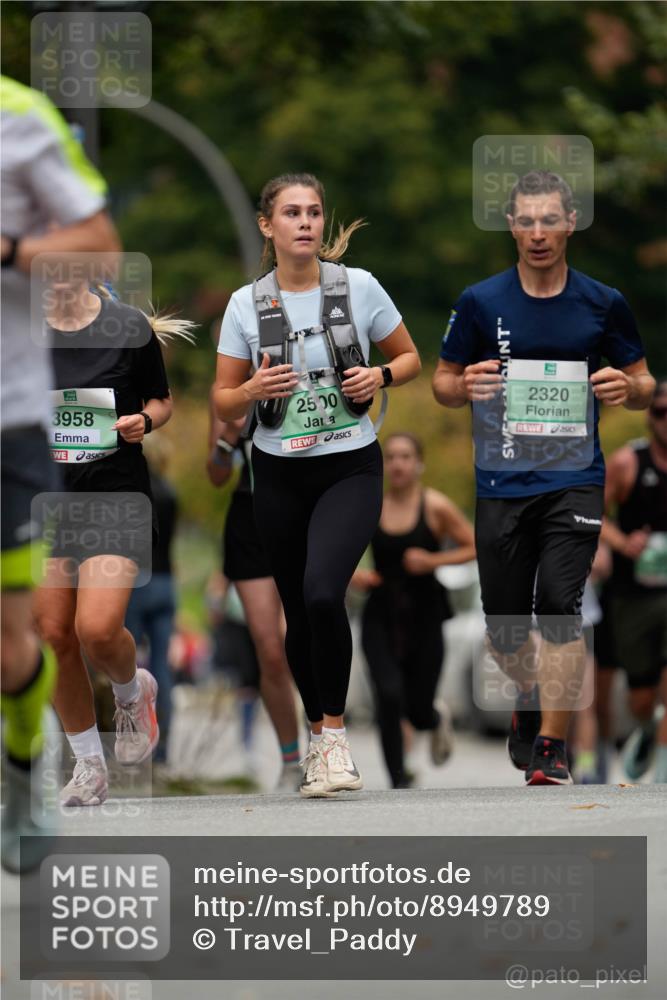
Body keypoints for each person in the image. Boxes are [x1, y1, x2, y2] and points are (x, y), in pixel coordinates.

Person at [432, 169, 655, 786]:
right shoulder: (482, 301)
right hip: (501, 484)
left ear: (570, 223)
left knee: (561, 607)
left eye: (549, 220)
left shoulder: (603, 302)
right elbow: (443, 384)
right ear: (510, 226)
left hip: (575, 479)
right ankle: (528, 697)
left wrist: (626, 387)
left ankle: (552, 745)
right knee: (506, 629)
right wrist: (464, 386)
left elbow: (644, 385)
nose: (537, 233)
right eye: (525, 221)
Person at [214, 172, 421, 797]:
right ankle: (316, 734)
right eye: (291, 213)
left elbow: (411, 358)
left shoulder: (357, 287)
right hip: (276, 470)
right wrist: (249, 390)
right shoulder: (245, 304)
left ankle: (333, 737)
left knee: (323, 592)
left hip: (349, 464)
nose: (305, 223)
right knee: (297, 613)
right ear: (266, 226)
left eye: (313, 212)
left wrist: (379, 376)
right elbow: (223, 402)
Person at [0, 76, 119, 871]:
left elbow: (100, 245)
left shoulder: (20, 115)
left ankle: (19, 773)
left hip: (8, 419)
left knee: (16, 641)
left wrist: (11, 249)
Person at [34, 280, 193, 807]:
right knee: (53, 635)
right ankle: (88, 766)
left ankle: (132, 692)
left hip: (114, 495)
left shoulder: (127, 327)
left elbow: (163, 401)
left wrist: (144, 421)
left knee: (97, 629)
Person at [351, 432, 475, 788]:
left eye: (405, 456)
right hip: (381, 613)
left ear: (419, 463)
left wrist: (433, 560)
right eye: (391, 457)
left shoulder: (435, 506)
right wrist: (352, 576)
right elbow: (341, 545)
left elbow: (475, 546)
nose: (398, 464)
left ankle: (434, 720)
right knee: (388, 695)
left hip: (425, 613)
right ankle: (398, 779)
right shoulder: (371, 503)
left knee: (417, 710)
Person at [207, 405, 302, 791]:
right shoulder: (228, 398)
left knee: (306, 636)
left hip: (304, 513)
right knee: (270, 648)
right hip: (250, 520)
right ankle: (291, 758)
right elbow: (216, 474)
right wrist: (226, 439)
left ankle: (327, 740)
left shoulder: (306, 365)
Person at [601, 380, 667, 783]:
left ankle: (662, 773)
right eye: (661, 411)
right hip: (633, 597)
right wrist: (624, 543)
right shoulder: (628, 462)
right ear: (649, 416)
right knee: (641, 696)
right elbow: (592, 513)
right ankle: (647, 728)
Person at [124, 433, 179, 766]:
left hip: (136, 583)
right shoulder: (171, 493)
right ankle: (163, 750)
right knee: (162, 667)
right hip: (166, 582)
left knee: (128, 668)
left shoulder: (133, 494)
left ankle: (135, 746)